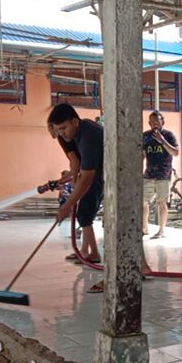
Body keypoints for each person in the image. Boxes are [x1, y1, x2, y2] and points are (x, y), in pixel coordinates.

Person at [49, 104, 104, 265]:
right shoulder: (72, 135)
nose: (60, 133)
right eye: (58, 129)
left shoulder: (89, 133)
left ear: (75, 122)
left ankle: (94, 254)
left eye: (63, 128)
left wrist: (67, 205)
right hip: (93, 172)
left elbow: (87, 177)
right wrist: (74, 181)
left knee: (84, 214)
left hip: (104, 174)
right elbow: (75, 163)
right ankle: (85, 251)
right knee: (83, 212)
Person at [142, 110, 179, 239]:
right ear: (149, 123)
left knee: (161, 202)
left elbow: (175, 152)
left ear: (162, 122)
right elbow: (142, 154)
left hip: (164, 174)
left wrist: (162, 141)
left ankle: (162, 230)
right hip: (149, 174)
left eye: (157, 121)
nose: (154, 124)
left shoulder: (169, 135)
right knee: (142, 201)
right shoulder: (145, 136)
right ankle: (144, 228)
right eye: (152, 122)